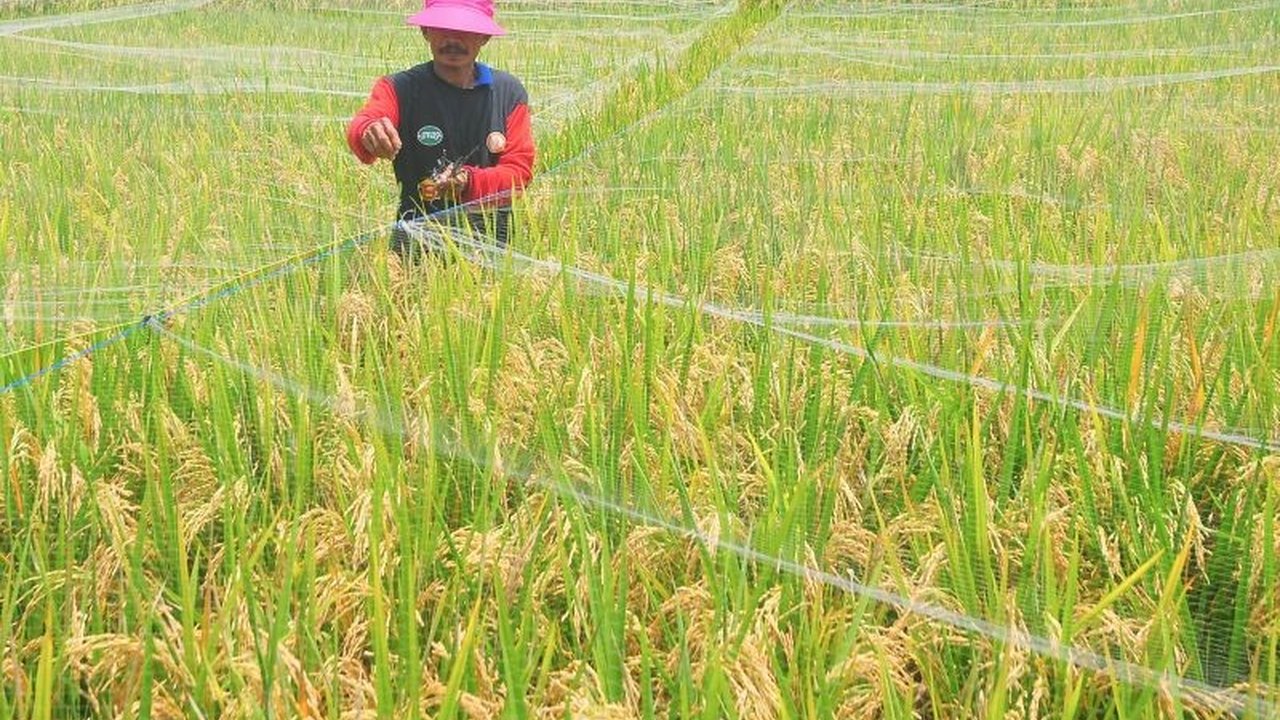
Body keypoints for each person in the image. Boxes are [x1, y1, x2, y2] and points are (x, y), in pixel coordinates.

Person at [346, 0, 534, 261]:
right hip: (415, 246)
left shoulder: (508, 93)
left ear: (485, 37)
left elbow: (519, 173)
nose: (453, 40)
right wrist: (368, 131)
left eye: (466, 29)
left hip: (491, 248)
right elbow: (365, 122)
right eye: (442, 28)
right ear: (425, 31)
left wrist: (469, 182)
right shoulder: (399, 88)